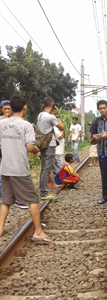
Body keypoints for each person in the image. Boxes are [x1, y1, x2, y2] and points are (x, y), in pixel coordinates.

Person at [0, 96, 53, 244]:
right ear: (24, 107)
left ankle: (0, 229)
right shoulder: (26, 125)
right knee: (33, 199)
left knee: (6, 200)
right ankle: (38, 232)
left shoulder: (1, 123)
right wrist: (37, 150)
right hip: (19, 169)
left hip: (5, 168)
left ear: (11, 107)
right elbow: (30, 147)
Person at [36, 97, 64, 201]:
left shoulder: (40, 115)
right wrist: (57, 115)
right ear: (53, 105)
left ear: (43, 105)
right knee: (47, 169)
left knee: (44, 168)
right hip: (49, 145)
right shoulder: (50, 117)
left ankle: (43, 190)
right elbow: (62, 127)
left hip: (42, 145)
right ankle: (44, 193)